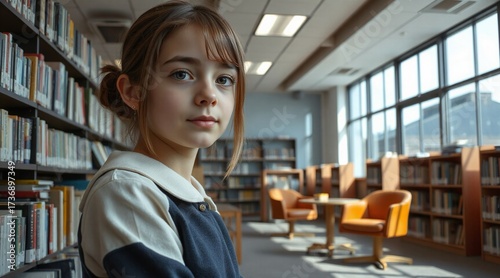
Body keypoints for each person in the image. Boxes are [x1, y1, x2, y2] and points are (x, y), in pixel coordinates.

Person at [78, 1, 246, 277]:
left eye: (224, 79)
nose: (209, 94)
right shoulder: (127, 194)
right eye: (182, 74)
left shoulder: (190, 194)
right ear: (133, 92)